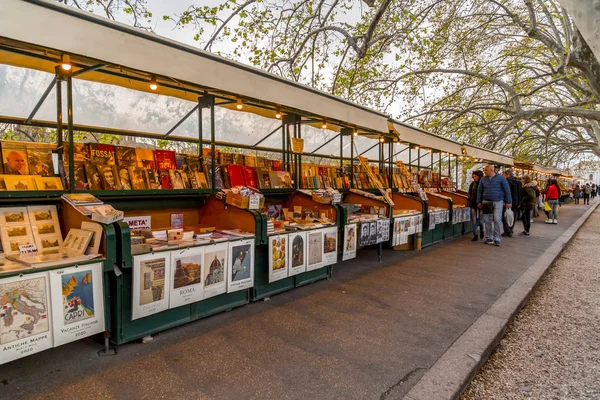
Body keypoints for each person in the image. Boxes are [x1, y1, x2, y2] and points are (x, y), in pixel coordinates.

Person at [477, 164, 512, 246]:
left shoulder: (501, 179)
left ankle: (497, 238)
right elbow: (479, 191)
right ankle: (489, 237)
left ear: (491, 170)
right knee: (487, 220)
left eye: (486, 170)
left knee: (497, 219)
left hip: (498, 201)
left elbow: (507, 190)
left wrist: (509, 201)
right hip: (486, 201)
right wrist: (478, 201)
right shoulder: (483, 179)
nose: (484, 172)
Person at [502, 169, 523, 237]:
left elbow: (507, 192)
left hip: (509, 201)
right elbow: (520, 192)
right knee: (512, 216)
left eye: (504, 175)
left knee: (505, 216)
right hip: (516, 202)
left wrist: (505, 201)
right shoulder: (518, 182)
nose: (503, 176)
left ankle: (507, 230)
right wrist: (519, 202)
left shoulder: (507, 181)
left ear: (508, 175)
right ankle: (510, 229)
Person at [468, 170, 485, 241]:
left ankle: (482, 230)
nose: (474, 178)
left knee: (481, 220)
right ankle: (475, 234)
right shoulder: (472, 184)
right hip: (473, 203)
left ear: (479, 176)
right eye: (473, 176)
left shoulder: (483, 183)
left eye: (475, 176)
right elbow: (470, 192)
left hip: (481, 204)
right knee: (474, 220)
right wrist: (470, 198)